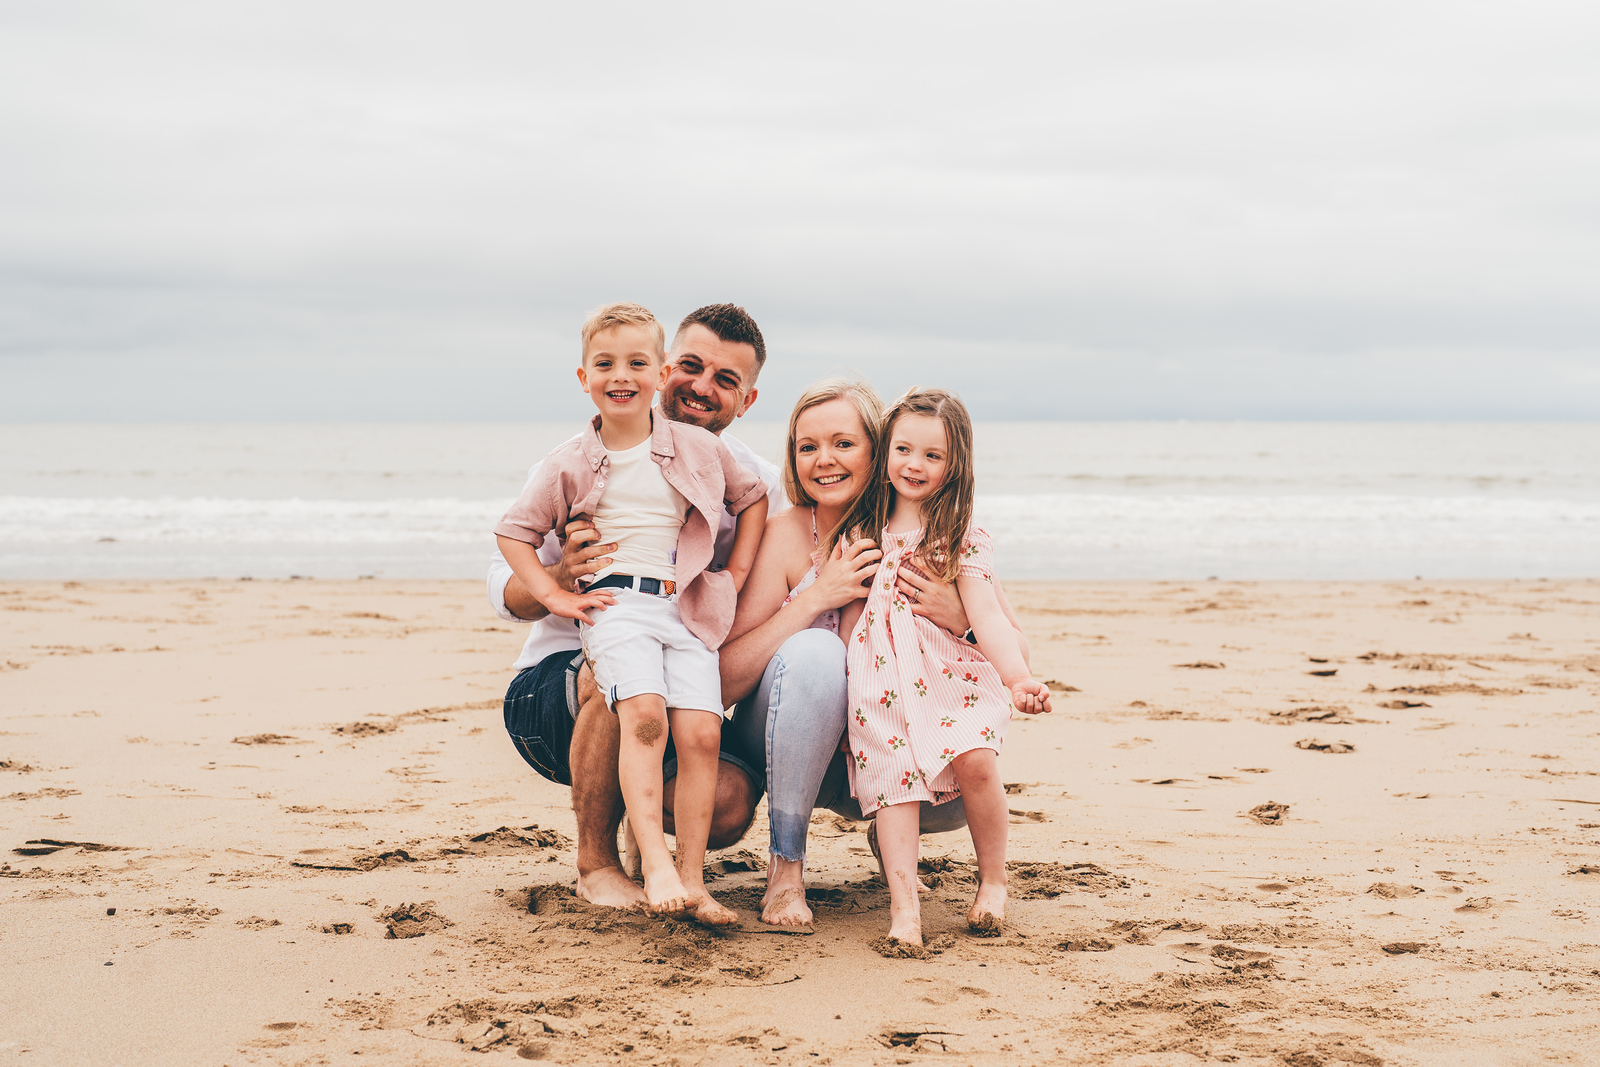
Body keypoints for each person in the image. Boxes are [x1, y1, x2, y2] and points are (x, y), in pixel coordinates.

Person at [488, 303, 786, 911]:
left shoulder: (749, 478)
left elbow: (755, 583)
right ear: (666, 368)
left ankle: (675, 866)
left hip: (677, 667)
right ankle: (597, 862)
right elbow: (506, 590)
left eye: (725, 380)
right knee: (617, 673)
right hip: (557, 695)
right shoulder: (578, 460)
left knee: (728, 801)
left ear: (746, 401)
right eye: (693, 368)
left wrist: (732, 575)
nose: (702, 388)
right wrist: (559, 577)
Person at [719, 379, 1029, 928]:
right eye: (807, 446)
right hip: (790, 738)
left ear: (874, 447)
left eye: (844, 443)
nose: (824, 460)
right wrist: (817, 597)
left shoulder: (924, 534)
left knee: (964, 759)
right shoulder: (790, 534)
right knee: (817, 653)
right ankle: (786, 871)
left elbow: (1005, 632)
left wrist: (957, 619)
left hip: (889, 734)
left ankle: (907, 852)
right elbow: (723, 679)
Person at [835, 387, 1050, 948]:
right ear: (884, 453)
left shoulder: (961, 539)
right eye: (904, 449)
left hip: (949, 677)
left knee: (978, 762)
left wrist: (1017, 677)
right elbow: (848, 623)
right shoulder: (861, 533)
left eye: (933, 455)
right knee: (894, 790)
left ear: (955, 464)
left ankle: (994, 881)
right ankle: (904, 912)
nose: (915, 464)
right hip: (880, 685)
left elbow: (988, 617)